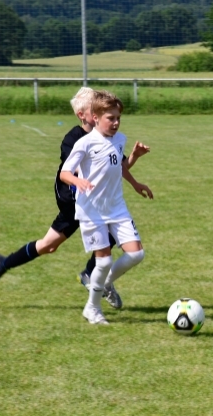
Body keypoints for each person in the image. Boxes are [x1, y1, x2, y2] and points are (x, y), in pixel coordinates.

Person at [0, 87, 149, 311]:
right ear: (84, 115)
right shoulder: (75, 139)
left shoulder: (109, 138)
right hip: (73, 202)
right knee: (48, 246)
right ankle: (4, 264)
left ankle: (93, 275)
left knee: (110, 236)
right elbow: (77, 172)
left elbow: (116, 166)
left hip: (97, 203)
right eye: (94, 108)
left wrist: (135, 176)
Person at [60, 90, 153, 325]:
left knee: (136, 254)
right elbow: (64, 173)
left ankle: (105, 283)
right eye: (111, 118)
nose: (116, 122)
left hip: (116, 207)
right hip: (92, 210)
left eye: (118, 118)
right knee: (103, 262)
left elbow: (118, 166)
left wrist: (135, 165)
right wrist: (78, 181)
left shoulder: (119, 139)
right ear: (96, 117)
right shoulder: (85, 143)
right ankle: (92, 308)